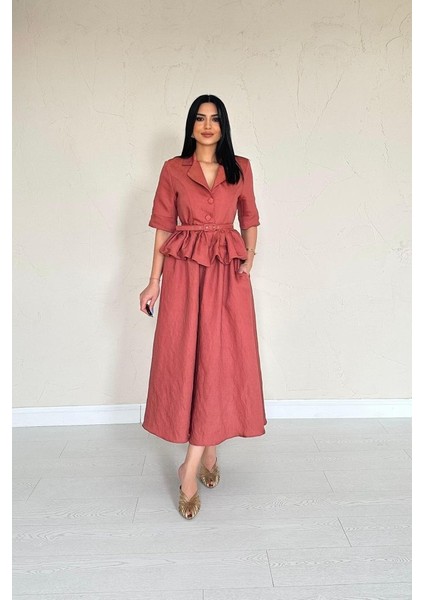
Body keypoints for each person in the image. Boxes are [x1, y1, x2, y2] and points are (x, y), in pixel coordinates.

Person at [139, 94, 267, 519]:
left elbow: (250, 217)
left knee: (220, 360)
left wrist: (249, 259)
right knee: (190, 359)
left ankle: (190, 467)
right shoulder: (173, 170)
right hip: (185, 275)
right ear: (191, 126)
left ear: (223, 126)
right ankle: (205, 455)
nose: (207, 125)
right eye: (200, 118)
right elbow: (163, 227)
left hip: (227, 275)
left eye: (214, 119)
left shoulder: (240, 167)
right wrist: (153, 281)